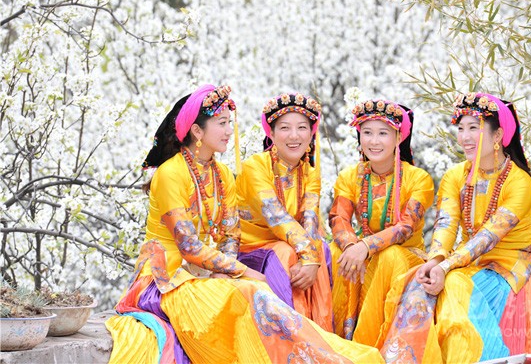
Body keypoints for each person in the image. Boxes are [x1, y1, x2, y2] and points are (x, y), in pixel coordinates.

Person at [105, 85, 383, 364]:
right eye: (222, 123)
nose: (229, 131)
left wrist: (225, 271)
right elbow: (188, 246)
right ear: (197, 131)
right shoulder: (170, 174)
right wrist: (241, 271)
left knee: (258, 290)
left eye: (229, 123)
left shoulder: (222, 173)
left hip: (205, 273)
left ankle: (314, 354)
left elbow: (230, 235)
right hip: (164, 279)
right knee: (252, 291)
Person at [380, 92, 531, 364]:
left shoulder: (520, 183)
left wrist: (445, 268)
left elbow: (487, 237)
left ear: (498, 136)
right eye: (461, 128)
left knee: (454, 284)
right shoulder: (455, 176)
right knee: (416, 280)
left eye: (474, 128)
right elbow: (446, 224)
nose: (465, 137)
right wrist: (436, 260)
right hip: (465, 264)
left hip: (508, 272)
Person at [328, 99, 434, 345]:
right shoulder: (349, 177)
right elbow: (339, 218)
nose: (373, 141)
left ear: (398, 137)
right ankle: (335, 341)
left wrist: (366, 246)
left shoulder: (418, 179)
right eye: (367, 133)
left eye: (383, 133)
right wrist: (352, 247)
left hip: (404, 256)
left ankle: (370, 345)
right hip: (363, 254)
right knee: (335, 252)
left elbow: (405, 227)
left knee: (390, 256)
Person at [236, 93, 334, 332]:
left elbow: (310, 220)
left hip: (291, 247)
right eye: (285, 128)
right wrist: (307, 257)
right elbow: (276, 216)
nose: (294, 136)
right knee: (286, 251)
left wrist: (311, 259)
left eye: (302, 128)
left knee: (321, 248)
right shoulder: (255, 167)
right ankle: (290, 334)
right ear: (271, 133)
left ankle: (321, 334)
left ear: (311, 134)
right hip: (250, 250)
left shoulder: (310, 173)